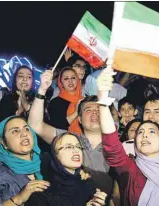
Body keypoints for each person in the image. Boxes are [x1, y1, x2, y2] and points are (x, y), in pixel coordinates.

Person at [97, 67, 159, 206]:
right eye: (140, 132)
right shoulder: (130, 169)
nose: (145, 135)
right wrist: (103, 102)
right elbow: (111, 145)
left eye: (152, 132)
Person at [28, 70, 114, 203]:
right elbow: (35, 125)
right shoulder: (69, 140)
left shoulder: (118, 145)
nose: (94, 113)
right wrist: (42, 90)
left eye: (98, 110)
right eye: (88, 110)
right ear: (79, 119)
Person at [0, 116, 50, 206]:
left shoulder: (48, 162)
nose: (24, 134)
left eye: (26, 129)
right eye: (15, 131)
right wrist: (18, 198)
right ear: (3, 143)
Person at [26, 132, 107, 206]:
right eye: (69, 147)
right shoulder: (41, 194)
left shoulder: (88, 184)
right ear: (55, 155)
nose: (76, 150)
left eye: (78, 146)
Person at [48, 67, 83, 135]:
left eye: (73, 78)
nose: (70, 81)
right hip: (65, 141)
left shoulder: (84, 100)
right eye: (66, 78)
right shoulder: (55, 102)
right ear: (61, 83)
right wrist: (76, 112)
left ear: (77, 80)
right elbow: (58, 125)